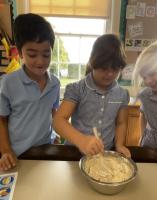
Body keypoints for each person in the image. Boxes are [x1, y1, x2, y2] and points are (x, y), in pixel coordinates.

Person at [53, 34, 131, 157]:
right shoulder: (77, 89)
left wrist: (119, 144)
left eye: (115, 69)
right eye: (104, 68)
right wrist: (81, 140)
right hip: (74, 153)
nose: (110, 74)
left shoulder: (122, 94)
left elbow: (121, 123)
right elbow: (58, 121)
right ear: (93, 62)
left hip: (105, 155)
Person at [0, 13, 60, 171]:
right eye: (32, 55)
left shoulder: (55, 84)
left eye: (46, 54)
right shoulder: (8, 83)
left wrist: (57, 135)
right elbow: (2, 121)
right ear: (20, 53)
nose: (40, 61)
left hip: (45, 152)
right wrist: (6, 150)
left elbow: (54, 113)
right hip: (17, 155)